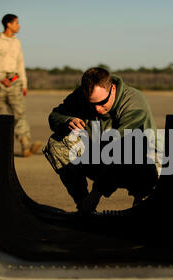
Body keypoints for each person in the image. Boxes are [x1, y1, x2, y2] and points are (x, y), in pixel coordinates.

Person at [44, 67, 160, 214]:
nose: (98, 109)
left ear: (112, 88)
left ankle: (141, 209)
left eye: (102, 102)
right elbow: (54, 116)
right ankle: (84, 209)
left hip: (138, 161)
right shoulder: (81, 95)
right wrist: (67, 120)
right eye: (92, 104)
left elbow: (121, 150)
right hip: (103, 157)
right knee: (57, 144)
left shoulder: (133, 103)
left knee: (148, 204)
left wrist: (96, 194)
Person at [0, 13, 41, 157]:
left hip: (15, 82)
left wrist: (24, 83)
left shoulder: (16, 42)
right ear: (8, 24)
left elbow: (20, 63)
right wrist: (1, 77)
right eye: (16, 23)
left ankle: (26, 146)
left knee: (19, 114)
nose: (19, 26)